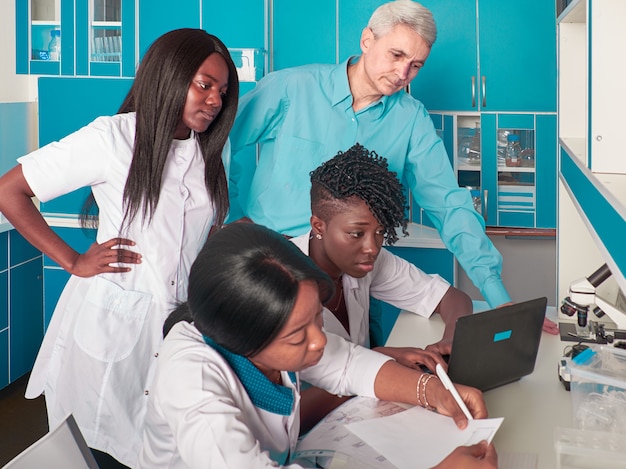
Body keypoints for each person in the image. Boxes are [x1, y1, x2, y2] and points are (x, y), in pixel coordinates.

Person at [0, 28, 238, 467]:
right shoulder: (111, 138)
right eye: (204, 85)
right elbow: (9, 191)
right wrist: (72, 260)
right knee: (100, 447)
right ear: (168, 76)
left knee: (162, 447)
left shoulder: (208, 153)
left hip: (179, 329)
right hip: (113, 325)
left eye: (222, 92)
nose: (215, 101)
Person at [138, 222, 497, 468]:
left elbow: (347, 365)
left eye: (316, 319)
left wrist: (433, 391)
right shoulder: (191, 384)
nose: (320, 339)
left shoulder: (268, 337)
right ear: (242, 338)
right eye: (298, 335)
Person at [228, 0, 509, 310]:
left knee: (356, 349)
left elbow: (448, 204)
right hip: (270, 264)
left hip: (348, 276)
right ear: (367, 40)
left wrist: (495, 291)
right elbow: (217, 145)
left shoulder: (411, 119)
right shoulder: (292, 88)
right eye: (397, 55)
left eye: (416, 65)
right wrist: (231, 215)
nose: (404, 73)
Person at [294, 143, 473, 432]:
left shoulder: (364, 261)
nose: (372, 247)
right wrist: (378, 361)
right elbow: (290, 416)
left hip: (357, 418)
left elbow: (452, 298)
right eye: (356, 234)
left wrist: (453, 338)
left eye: (380, 233)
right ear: (319, 225)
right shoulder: (281, 287)